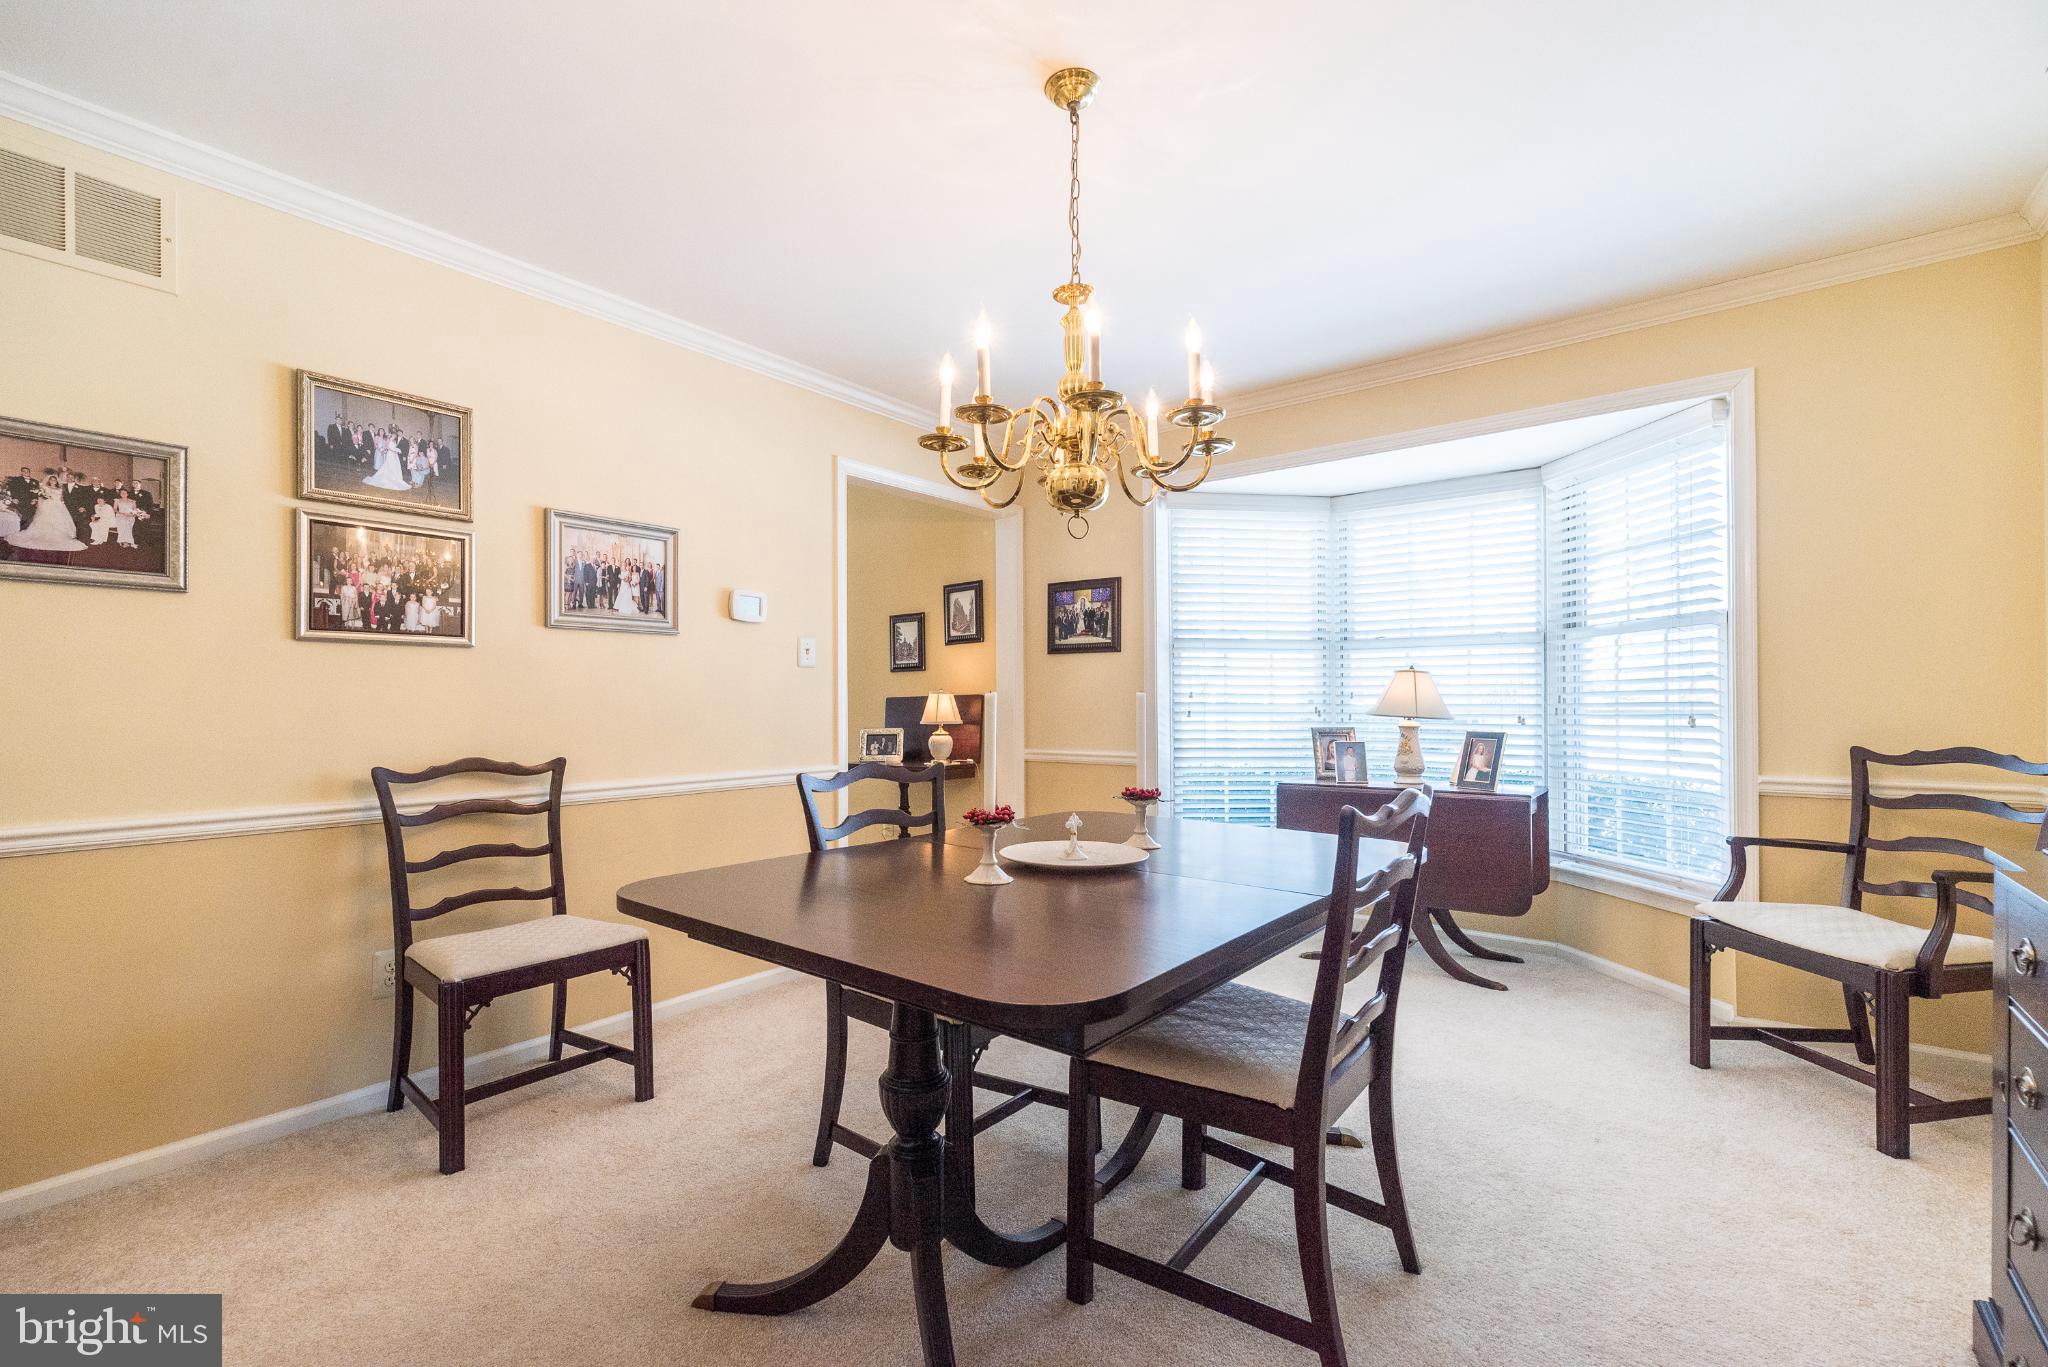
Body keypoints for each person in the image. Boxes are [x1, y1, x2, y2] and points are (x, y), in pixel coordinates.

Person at [6, 476, 87, 551]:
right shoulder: (45, 487)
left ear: (56, 481)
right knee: (45, 521)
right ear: (49, 481)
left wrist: (62, 504)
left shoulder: (60, 488)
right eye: (51, 480)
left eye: (54, 480)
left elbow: (62, 498)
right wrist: (43, 500)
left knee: (58, 522)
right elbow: (41, 497)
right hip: (47, 506)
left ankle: (57, 536)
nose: (53, 481)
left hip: (58, 506)